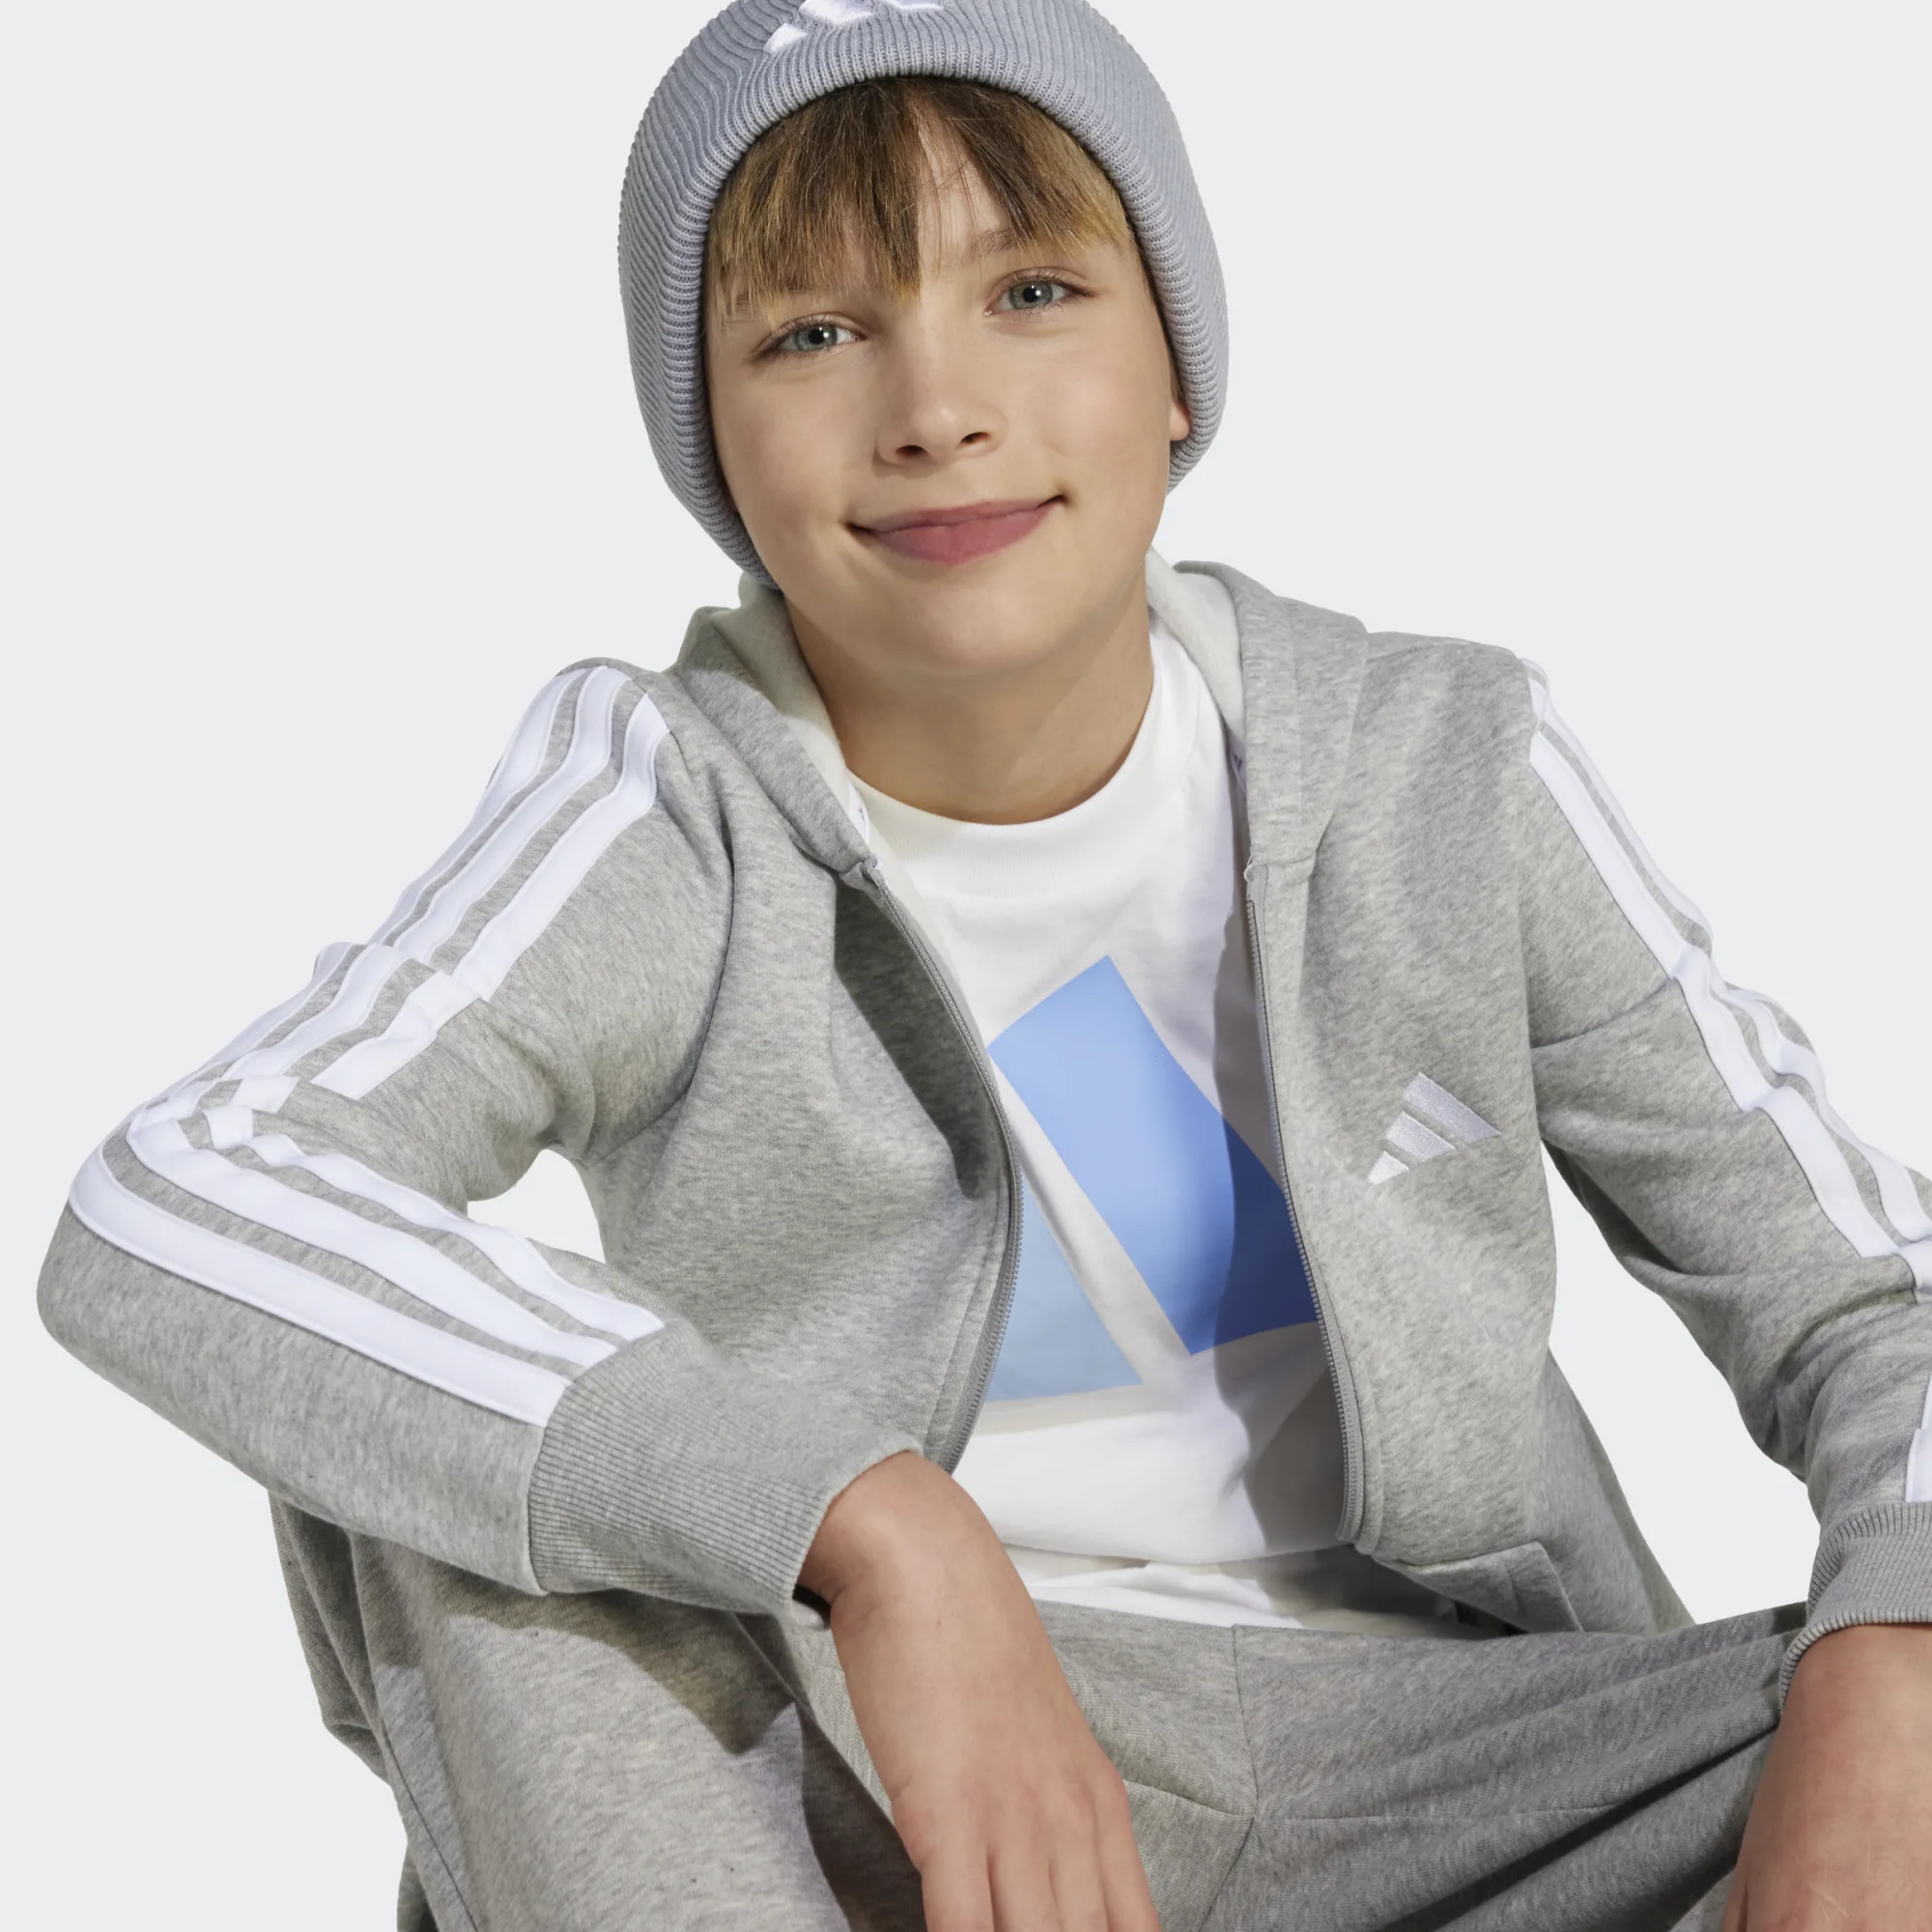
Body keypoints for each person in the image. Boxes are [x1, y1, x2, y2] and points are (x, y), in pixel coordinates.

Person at [38, 0, 1932, 1926]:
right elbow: (179, 1190)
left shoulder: (1435, 765)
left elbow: (1877, 1301)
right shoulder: (665, 813)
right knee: (443, 1426)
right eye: (811, 333)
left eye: (1031, 292)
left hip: (1469, 1768)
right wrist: (873, 1525)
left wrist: (1891, 1666)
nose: (934, 408)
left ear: (1177, 368)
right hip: (867, 1788)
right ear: (710, 439)